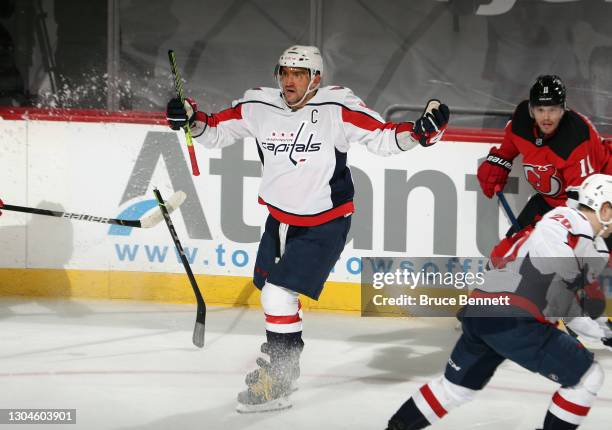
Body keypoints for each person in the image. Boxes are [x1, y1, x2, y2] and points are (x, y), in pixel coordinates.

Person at [165, 45, 450, 413]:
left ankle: (280, 379)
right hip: (279, 220)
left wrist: (421, 132)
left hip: (325, 222)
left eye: (298, 74)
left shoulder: (338, 108)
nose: (289, 81)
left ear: (316, 79)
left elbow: (382, 137)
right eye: (284, 73)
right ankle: (286, 361)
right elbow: (215, 130)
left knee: (277, 295)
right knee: (272, 291)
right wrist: (188, 117)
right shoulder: (258, 105)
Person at [386, 174, 612, 430]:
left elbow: (567, 308)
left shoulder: (593, 247)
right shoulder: (569, 218)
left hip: (483, 313)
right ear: (604, 207)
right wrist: (576, 283)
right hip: (515, 318)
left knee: (454, 389)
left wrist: (604, 333)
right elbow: (550, 245)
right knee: (588, 376)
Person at [477, 75, 612, 236]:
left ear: (563, 109)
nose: (546, 117)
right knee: (510, 251)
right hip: (551, 202)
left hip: (599, 209)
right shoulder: (521, 122)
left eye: (552, 110)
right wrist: (499, 161)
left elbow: (582, 209)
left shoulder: (575, 138)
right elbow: (508, 148)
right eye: (540, 110)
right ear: (531, 110)